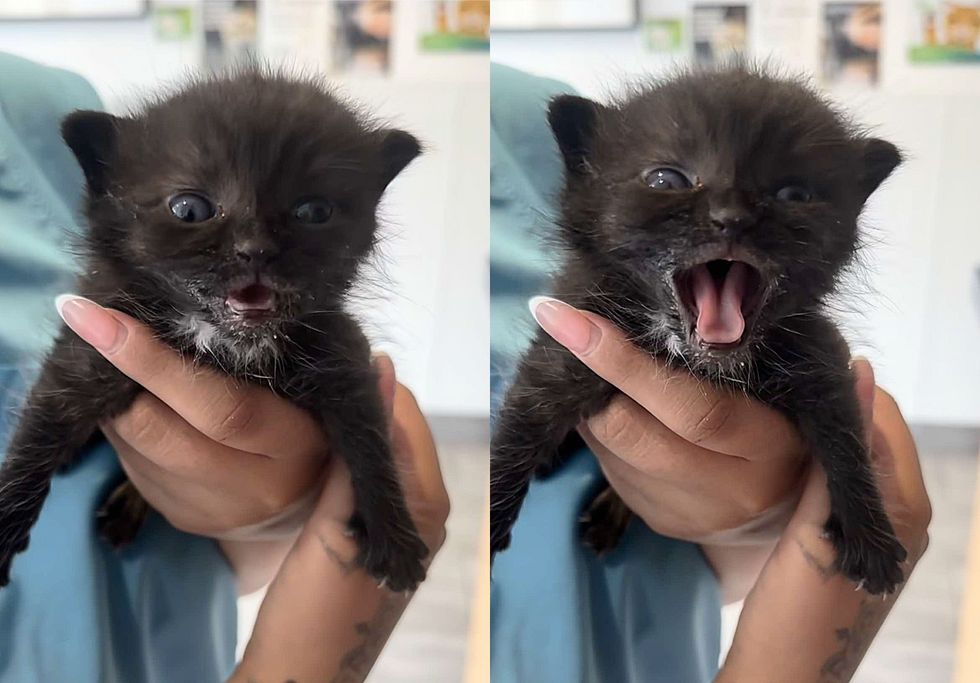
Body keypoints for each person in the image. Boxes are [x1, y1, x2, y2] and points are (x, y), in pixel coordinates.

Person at [0, 52, 449, 682]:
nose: (254, 244)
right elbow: (54, 408)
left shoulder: (34, 99)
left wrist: (375, 517)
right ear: (108, 187)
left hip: (167, 611)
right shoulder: (120, 305)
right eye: (191, 210)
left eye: (312, 212)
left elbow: (347, 429)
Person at [489, 63, 932, 682]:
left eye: (794, 194)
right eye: (669, 180)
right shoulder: (593, 304)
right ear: (583, 174)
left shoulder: (800, 344)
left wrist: (833, 518)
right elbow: (529, 417)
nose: (728, 212)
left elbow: (825, 437)